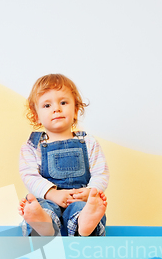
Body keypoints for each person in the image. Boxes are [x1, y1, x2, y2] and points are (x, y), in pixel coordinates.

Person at [18, 73, 109, 236]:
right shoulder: (32, 146)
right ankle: (44, 225)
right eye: (47, 105)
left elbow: (100, 172)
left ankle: (85, 223)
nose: (56, 109)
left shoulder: (88, 142)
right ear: (36, 115)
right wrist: (52, 193)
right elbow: (29, 176)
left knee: (83, 208)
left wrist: (90, 192)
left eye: (63, 102)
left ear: (75, 110)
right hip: (49, 199)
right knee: (42, 207)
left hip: (79, 199)